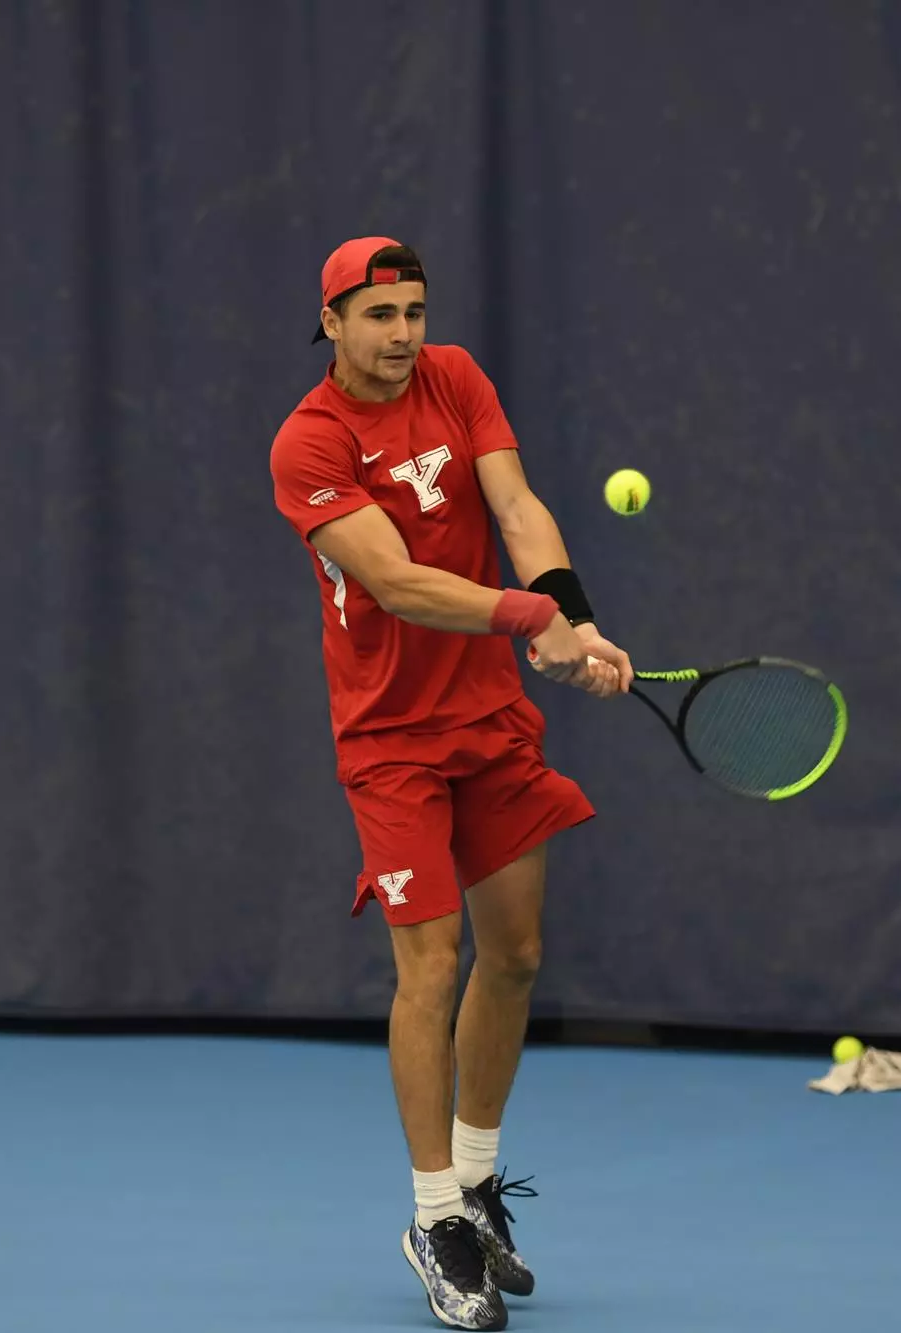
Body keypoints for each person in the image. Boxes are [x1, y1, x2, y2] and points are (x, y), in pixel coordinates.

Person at [269, 237, 633, 1331]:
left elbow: (516, 508)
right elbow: (394, 581)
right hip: (390, 741)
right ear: (331, 321)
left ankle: (476, 1184)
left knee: (514, 952)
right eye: (379, 315)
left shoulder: (458, 378)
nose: (402, 334)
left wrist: (571, 613)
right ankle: (434, 1219)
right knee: (430, 967)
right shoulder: (308, 441)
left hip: (489, 721)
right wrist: (528, 616)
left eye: (414, 312)